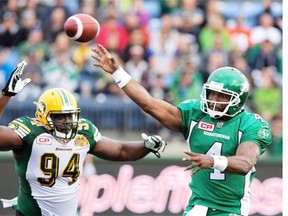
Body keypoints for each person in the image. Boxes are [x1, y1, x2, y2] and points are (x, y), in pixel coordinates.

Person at [91, 44, 272, 216]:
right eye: (212, 93)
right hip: (198, 205)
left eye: (223, 96)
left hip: (231, 209)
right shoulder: (195, 114)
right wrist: (118, 72)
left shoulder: (251, 125)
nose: (214, 100)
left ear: (238, 100)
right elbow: (149, 104)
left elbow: (245, 163)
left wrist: (213, 161)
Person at [0, 60, 167, 216]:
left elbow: (120, 150)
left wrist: (146, 146)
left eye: (70, 116)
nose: (67, 122)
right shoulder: (30, 132)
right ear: (43, 116)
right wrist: (5, 96)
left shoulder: (83, 131)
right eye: (60, 117)